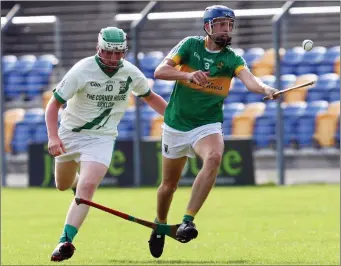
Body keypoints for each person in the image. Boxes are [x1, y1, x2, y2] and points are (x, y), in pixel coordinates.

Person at [148, 5, 279, 258]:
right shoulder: (189, 46)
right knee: (168, 186)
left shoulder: (232, 58)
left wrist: (265, 89)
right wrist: (187, 76)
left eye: (229, 25)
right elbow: (159, 72)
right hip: (176, 124)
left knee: (214, 157)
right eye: (220, 24)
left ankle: (188, 220)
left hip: (207, 124)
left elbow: (250, 80)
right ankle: (160, 225)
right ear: (207, 26)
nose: (226, 30)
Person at [46, 26, 168, 262]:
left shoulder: (130, 72)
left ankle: (65, 241)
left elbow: (151, 97)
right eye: (108, 52)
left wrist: (177, 121)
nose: (113, 58)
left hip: (101, 138)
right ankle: (76, 184)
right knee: (63, 185)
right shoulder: (81, 70)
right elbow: (53, 105)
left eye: (118, 53)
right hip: (70, 134)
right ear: (98, 49)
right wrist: (53, 137)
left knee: (88, 189)